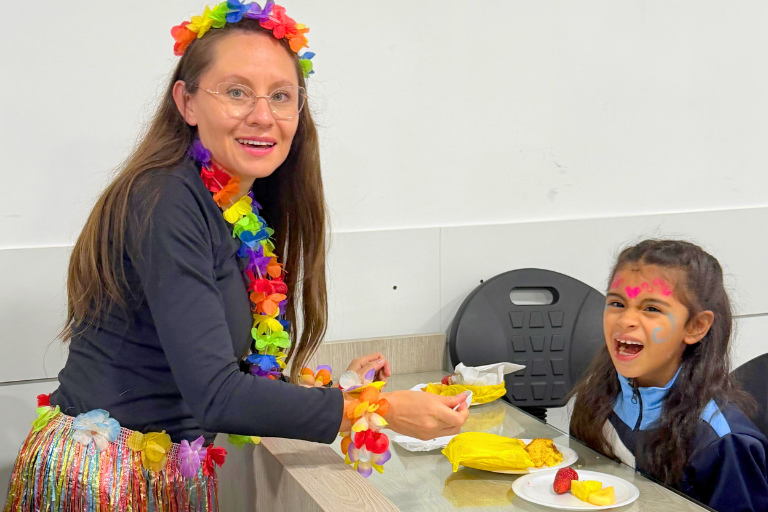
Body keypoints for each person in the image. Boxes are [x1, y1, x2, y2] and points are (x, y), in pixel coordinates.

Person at [3, 3, 468, 510]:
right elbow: (217, 394)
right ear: (187, 102)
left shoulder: (235, 208)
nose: (263, 115)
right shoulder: (165, 199)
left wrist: (339, 389)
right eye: (237, 92)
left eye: (281, 96)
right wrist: (372, 408)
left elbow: (224, 368)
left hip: (163, 471)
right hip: (104, 483)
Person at [569, 239, 768, 512]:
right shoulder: (595, 400)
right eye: (617, 303)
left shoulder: (723, 443)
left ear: (696, 326)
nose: (626, 319)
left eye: (651, 309)